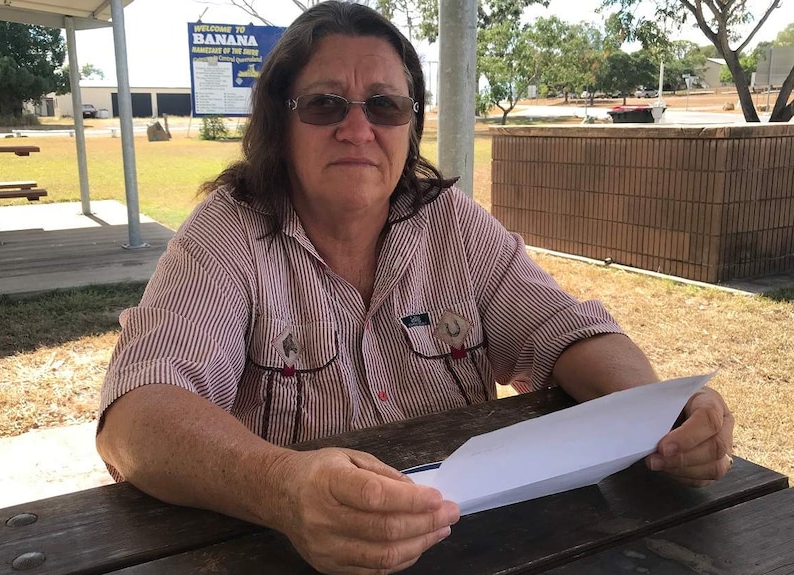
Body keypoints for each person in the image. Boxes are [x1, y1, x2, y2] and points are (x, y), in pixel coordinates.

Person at [96, 2, 735, 574]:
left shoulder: (450, 221)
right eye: (324, 105)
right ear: (279, 126)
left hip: (486, 542)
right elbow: (138, 417)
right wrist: (283, 487)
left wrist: (661, 412)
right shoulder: (228, 233)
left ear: (409, 123)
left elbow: (568, 333)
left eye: (384, 104)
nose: (357, 128)